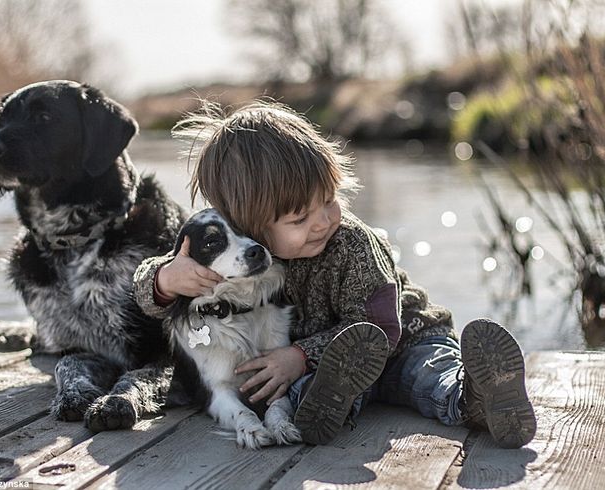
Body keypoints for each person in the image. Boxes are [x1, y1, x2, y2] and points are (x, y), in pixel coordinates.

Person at [132, 100, 537, 449]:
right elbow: (149, 287)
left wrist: (301, 355)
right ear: (249, 225)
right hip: (336, 369)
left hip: (404, 342)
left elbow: (380, 327)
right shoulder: (249, 252)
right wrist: (166, 278)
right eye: (299, 217)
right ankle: (322, 411)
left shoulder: (352, 245)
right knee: (312, 388)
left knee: (425, 374)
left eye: (329, 200)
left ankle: (477, 396)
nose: (324, 221)